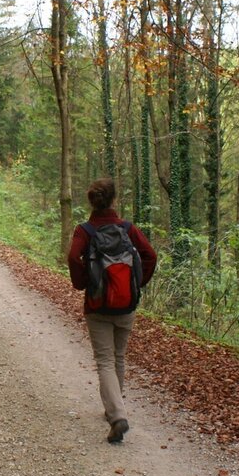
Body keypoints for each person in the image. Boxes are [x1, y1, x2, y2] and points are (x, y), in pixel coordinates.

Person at [67, 178, 157, 444]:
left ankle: (117, 415)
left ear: (91, 202)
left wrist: (84, 283)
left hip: (97, 305)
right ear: (114, 200)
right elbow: (150, 255)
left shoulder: (85, 230)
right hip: (126, 304)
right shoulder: (127, 229)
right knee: (118, 357)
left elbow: (73, 257)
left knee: (105, 360)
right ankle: (113, 409)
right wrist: (136, 284)